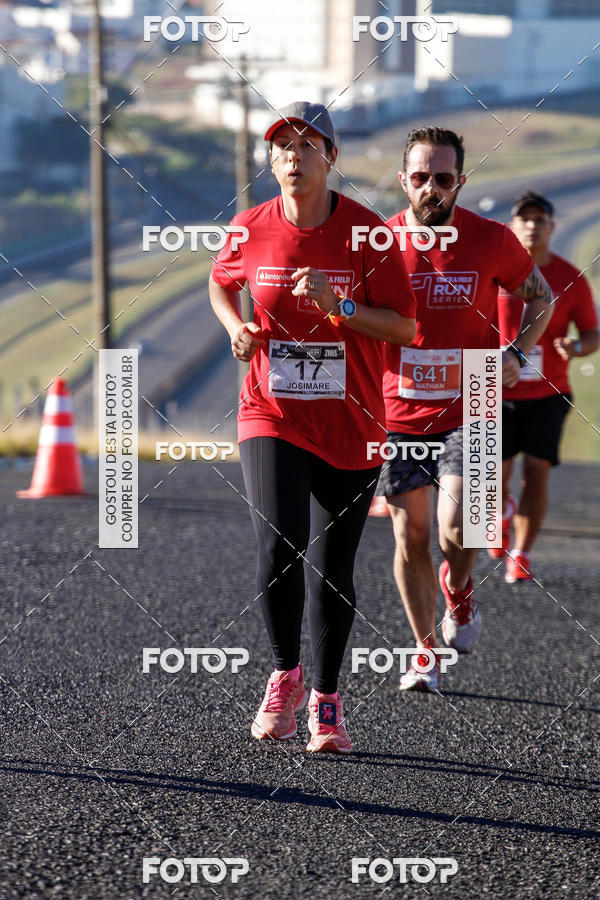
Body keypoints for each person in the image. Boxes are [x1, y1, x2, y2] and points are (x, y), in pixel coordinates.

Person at [209, 101, 416, 751]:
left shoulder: (369, 234)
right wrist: (236, 325)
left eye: (307, 145)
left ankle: (327, 699)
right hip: (269, 409)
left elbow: (405, 328)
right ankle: (284, 676)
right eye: (282, 146)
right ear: (269, 160)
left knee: (333, 567)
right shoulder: (249, 227)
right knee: (278, 547)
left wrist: (341, 305)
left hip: (352, 419)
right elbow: (219, 283)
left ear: (332, 157)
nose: (293, 157)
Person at [377, 127, 553, 692]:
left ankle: (460, 586)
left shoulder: (491, 239)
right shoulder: (377, 242)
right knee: (411, 538)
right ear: (404, 181)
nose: (433, 189)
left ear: (461, 183)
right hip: (400, 405)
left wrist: (516, 352)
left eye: (444, 179)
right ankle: (424, 652)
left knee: (461, 526)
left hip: (474, 396)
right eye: (422, 178)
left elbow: (541, 298)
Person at [495, 191, 599, 582]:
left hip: (548, 392)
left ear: (552, 228)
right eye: (525, 219)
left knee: (537, 472)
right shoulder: (494, 273)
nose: (533, 226)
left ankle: (521, 552)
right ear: (512, 226)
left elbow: (592, 333)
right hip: (494, 391)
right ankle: (500, 510)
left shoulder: (568, 277)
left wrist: (576, 346)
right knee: (492, 475)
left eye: (541, 220)